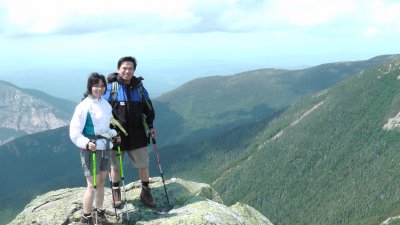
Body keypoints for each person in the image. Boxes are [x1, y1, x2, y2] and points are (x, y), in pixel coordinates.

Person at [103, 56, 157, 208]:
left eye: (130, 68)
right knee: (114, 166)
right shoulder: (111, 88)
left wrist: (151, 126)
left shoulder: (139, 87)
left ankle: (145, 191)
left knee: (144, 164)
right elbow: (101, 111)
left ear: (134, 70)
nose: (127, 71)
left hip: (137, 132)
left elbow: (148, 108)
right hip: (116, 135)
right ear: (118, 69)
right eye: (124, 68)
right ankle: (116, 192)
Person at [70, 72, 117, 225]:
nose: (100, 89)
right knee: (92, 185)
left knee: (102, 181)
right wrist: (86, 143)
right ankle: (86, 218)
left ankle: (100, 213)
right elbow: (74, 132)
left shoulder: (105, 104)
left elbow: (109, 124)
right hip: (91, 149)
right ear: (90, 87)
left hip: (105, 146)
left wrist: (114, 134)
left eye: (102, 86)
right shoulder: (84, 106)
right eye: (96, 85)